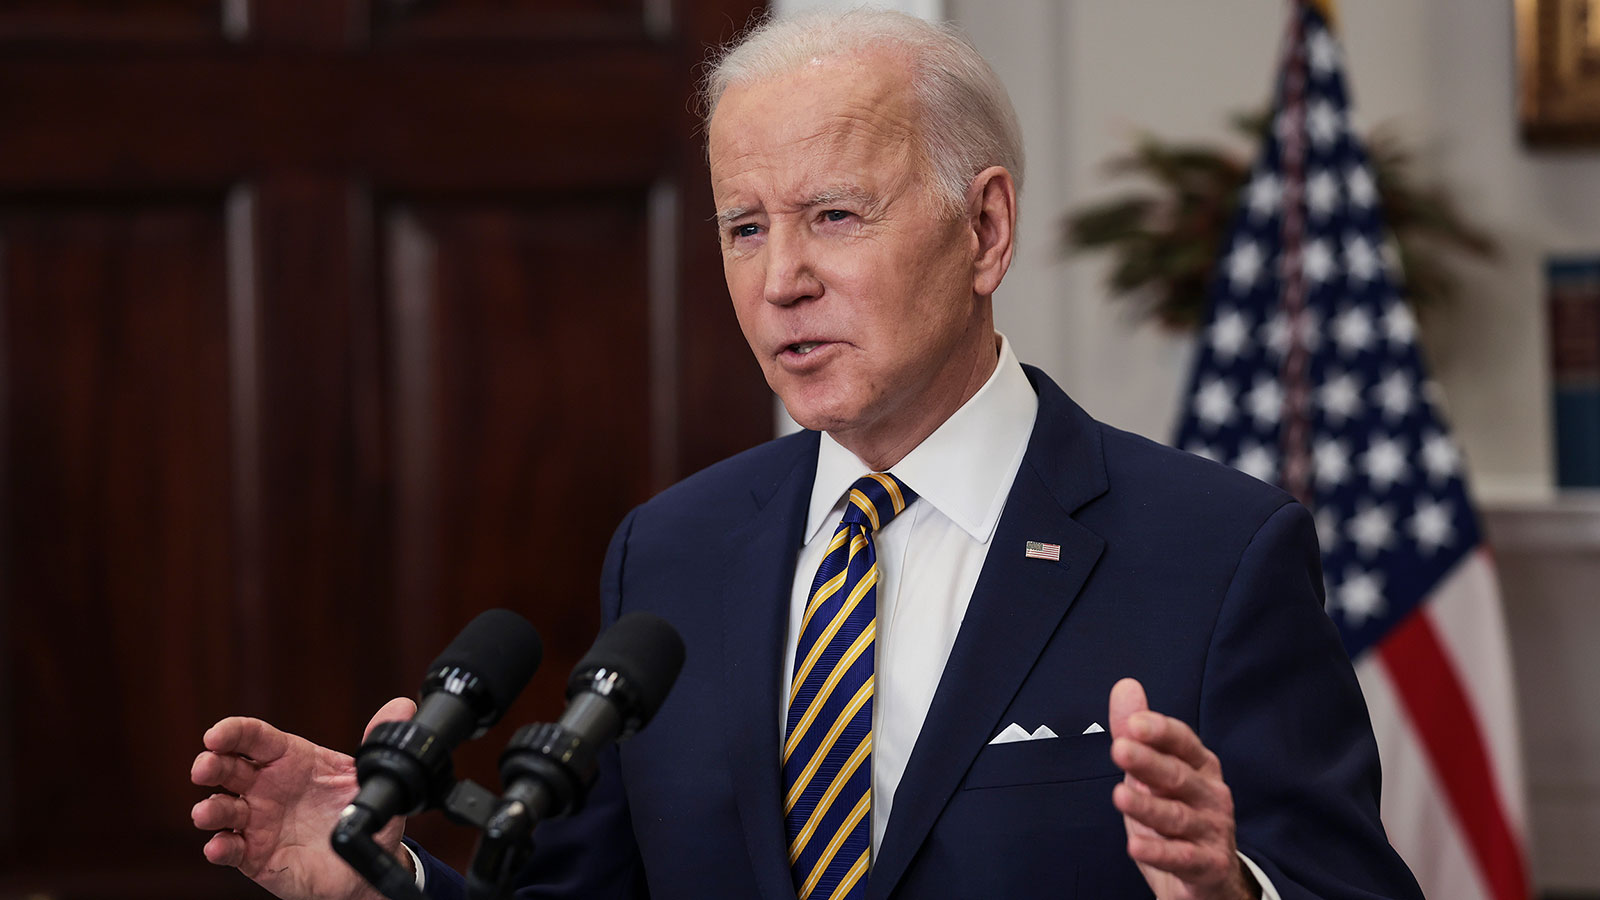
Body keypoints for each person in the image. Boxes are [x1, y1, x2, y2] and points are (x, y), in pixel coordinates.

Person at [192, 10, 1423, 900]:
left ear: (983, 228)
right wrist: (392, 877)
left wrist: (1235, 897)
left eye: (834, 215)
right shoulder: (669, 552)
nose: (781, 281)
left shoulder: (1214, 555)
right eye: (744, 226)